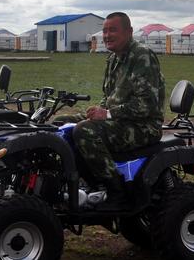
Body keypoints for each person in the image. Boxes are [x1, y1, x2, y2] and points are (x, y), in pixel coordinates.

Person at [58, 12, 165, 210]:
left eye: (113, 30)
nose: (107, 35)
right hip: (120, 120)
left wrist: (106, 114)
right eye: (105, 31)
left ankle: (116, 190)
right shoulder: (114, 59)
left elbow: (147, 105)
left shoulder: (142, 56)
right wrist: (96, 110)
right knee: (61, 122)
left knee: (84, 131)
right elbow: (109, 97)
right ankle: (80, 180)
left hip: (142, 126)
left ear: (129, 32)